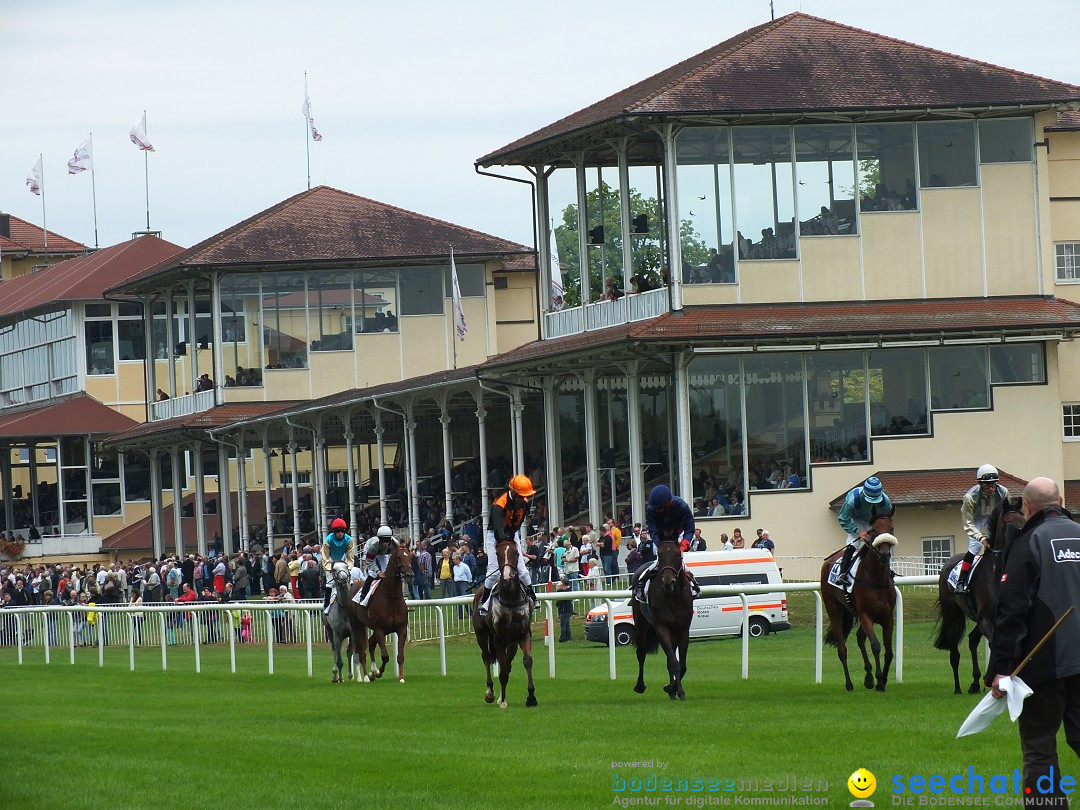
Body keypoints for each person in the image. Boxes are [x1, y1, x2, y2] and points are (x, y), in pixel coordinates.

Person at [986, 477, 1080, 809]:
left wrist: (1000, 669)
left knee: (1040, 748)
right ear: (1060, 501)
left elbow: (1011, 611)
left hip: (1044, 666)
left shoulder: (1029, 540)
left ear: (1026, 507)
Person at [479, 474, 538, 616]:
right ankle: (485, 602)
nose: (524, 499)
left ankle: (532, 597)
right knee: (493, 570)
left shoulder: (524, 502)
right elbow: (499, 531)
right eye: (521, 495)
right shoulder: (499, 504)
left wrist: (512, 537)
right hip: (495, 535)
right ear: (513, 493)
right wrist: (506, 540)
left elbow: (517, 524)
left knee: (522, 569)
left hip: (512, 533)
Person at [636, 485, 701, 600]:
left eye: (659, 508)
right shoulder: (652, 509)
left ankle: (693, 585)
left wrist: (684, 543)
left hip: (679, 534)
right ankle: (641, 585)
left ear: (668, 503)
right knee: (661, 559)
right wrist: (659, 545)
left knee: (677, 559)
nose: (656, 511)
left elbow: (690, 528)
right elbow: (653, 530)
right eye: (655, 508)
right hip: (661, 536)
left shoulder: (681, 506)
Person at [955, 464, 1008, 594]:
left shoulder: (1003, 492)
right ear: (980, 484)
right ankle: (961, 582)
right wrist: (981, 538)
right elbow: (968, 524)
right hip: (975, 522)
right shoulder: (970, 497)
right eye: (987, 485)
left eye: (993, 484)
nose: (991, 488)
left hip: (993, 520)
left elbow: (1005, 512)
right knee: (976, 547)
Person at [835, 476, 892, 586]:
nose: (872, 503)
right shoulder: (853, 501)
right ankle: (843, 573)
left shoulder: (885, 502)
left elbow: (886, 518)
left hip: (873, 520)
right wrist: (858, 531)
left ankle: (887, 571)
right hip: (854, 518)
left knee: (881, 542)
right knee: (854, 542)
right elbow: (843, 518)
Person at [320, 517, 355, 611]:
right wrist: (329, 570)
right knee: (330, 583)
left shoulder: (349, 540)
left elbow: (350, 558)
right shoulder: (327, 540)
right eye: (338, 531)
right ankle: (326, 605)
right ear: (334, 531)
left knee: (350, 581)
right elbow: (325, 558)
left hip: (343, 560)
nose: (340, 533)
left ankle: (354, 602)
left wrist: (348, 568)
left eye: (342, 531)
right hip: (331, 561)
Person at [356, 525, 395, 607]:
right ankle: (362, 596)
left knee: (386, 572)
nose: (385, 543)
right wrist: (378, 572)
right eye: (383, 540)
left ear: (390, 539)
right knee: (372, 573)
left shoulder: (395, 544)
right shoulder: (373, 545)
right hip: (372, 554)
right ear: (379, 539)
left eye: (387, 540)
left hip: (383, 554)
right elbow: (370, 562)